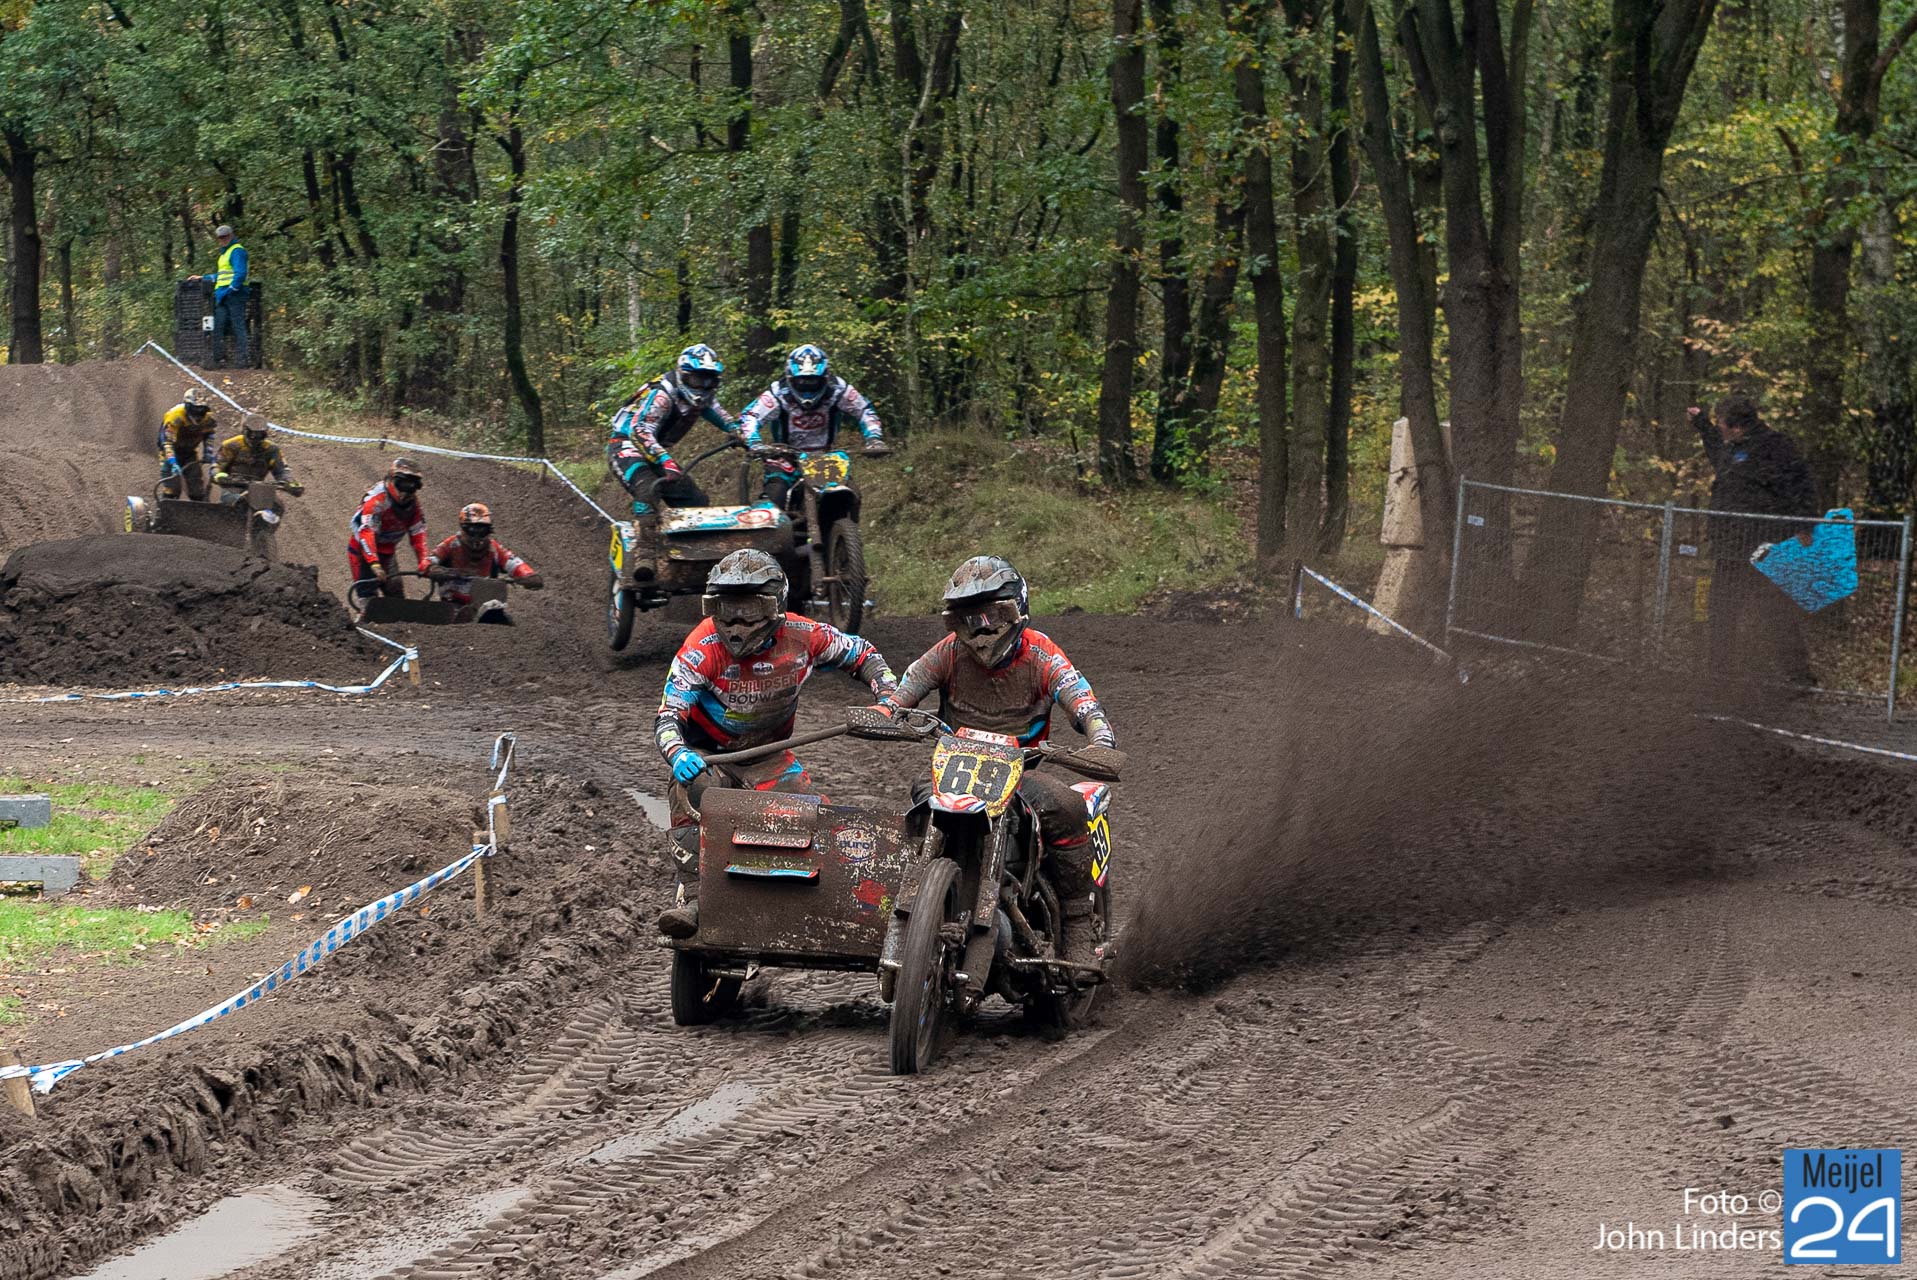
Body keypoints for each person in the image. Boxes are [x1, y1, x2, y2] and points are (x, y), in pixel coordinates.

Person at [883, 556, 1116, 966]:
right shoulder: (947, 653)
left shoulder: (1041, 654)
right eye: (968, 619)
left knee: (1066, 805)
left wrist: (1099, 736)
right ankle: (922, 898)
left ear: (1017, 610)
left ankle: (1078, 921)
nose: (982, 630)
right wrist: (884, 714)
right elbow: (904, 691)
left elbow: (1079, 697)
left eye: (993, 615)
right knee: (920, 796)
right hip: (953, 772)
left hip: (1019, 774)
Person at [653, 549, 897, 938]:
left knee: (818, 825)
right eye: (725, 609)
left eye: (749, 610)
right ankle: (695, 899)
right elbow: (668, 715)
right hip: (710, 757)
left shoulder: (804, 635)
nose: (736, 624)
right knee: (689, 790)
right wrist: (678, 753)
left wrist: (888, 699)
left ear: (775, 606)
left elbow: (863, 653)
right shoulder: (701, 646)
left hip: (770, 758)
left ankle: (834, 909)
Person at [1690, 395, 1819, 685]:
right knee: (1722, 609)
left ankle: (1799, 677)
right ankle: (1719, 672)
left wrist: (1805, 524)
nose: (1719, 427)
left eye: (1721, 423)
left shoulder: (1776, 447)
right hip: (1729, 546)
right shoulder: (1731, 448)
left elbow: (1802, 485)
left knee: (1775, 611)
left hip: (1764, 545)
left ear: (1738, 427)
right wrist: (1701, 423)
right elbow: (1715, 447)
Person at [606, 344, 752, 577]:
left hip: (655, 451)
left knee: (696, 500)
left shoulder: (704, 398)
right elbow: (639, 431)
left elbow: (722, 416)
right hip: (625, 444)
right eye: (697, 380)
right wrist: (666, 461)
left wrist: (740, 434)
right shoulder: (663, 394)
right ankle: (645, 553)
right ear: (683, 375)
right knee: (647, 488)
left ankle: (693, 553)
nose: (703, 387)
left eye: (709, 381)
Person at [736, 344, 893, 507]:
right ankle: (770, 520)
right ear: (790, 377)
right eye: (802, 380)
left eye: (813, 380)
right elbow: (751, 416)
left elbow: (864, 410)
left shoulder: (837, 389)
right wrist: (754, 442)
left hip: (825, 458)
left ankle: (844, 523)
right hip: (785, 458)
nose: (807, 385)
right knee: (776, 493)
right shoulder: (778, 393)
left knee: (850, 493)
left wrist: (874, 438)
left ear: (824, 377)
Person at [425, 502, 544, 624]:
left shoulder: (495, 549)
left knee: (505, 620)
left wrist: (528, 576)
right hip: (452, 603)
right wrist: (435, 569)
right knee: (451, 614)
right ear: (463, 529)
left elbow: (517, 565)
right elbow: (427, 562)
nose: (477, 536)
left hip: (486, 604)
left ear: (489, 531)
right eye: (472, 530)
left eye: (482, 531)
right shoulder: (451, 545)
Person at [348, 457, 429, 607]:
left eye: (412, 486)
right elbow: (367, 532)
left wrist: (423, 561)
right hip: (362, 552)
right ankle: (365, 618)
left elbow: (418, 533)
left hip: (387, 552)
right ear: (392, 480)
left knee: (396, 594)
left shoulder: (413, 505)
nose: (406, 491)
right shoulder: (378, 500)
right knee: (368, 598)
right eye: (402, 484)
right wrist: (374, 563)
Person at [187, 225, 250, 368]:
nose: (223, 239)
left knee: (238, 325)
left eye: (225, 236)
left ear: (231, 235)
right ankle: (217, 358)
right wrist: (203, 277)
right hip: (222, 295)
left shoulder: (237, 251)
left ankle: (243, 360)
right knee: (218, 325)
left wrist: (232, 289)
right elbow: (221, 275)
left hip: (234, 294)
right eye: (221, 238)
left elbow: (240, 273)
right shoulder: (224, 254)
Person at [211, 414, 302, 502]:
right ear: (245, 431)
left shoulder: (271, 449)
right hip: (233, 486)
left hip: (258, 488)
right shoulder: (231, 445)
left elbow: (281, 470)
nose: (255, 438)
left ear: (265, 434)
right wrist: (219, 476)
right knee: (236, 501)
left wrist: (290, 482)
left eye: (260, 435)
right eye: (252, 434)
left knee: (276, 504)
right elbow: (217, 465)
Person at [157, 388, 220, 501]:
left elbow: (209, 434)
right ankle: (166, 506)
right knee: (172, 487)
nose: (198, 414)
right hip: (170, 451)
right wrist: (172, 462)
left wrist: (208, 453)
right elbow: (167, 443)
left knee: (197, 488)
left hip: (189, 452)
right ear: (188, 406)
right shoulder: (175, 417)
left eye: (201, 410)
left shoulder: (208, 419)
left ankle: (199, 508)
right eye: (195, 409)